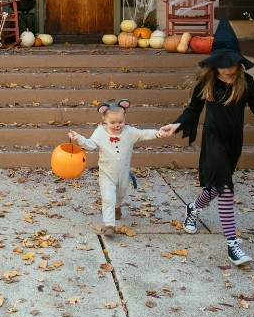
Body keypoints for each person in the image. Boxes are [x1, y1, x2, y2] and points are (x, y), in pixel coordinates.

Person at [160, 19, 254, 266]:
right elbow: (193, 110)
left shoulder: (246, 81)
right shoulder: (206, 82)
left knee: (216, 188)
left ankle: (192, 209)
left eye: (232, 63)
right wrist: (176, 124)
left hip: (233, 141)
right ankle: (232, 245)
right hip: (213, 139)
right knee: (226, 189)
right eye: (222, 64)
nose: (228, 68)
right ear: (214, 64)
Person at [68, 99, 175, 237]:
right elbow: (91, 144)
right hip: (106, 173)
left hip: (123, 173)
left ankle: (117, 207)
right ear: (104, 119)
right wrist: (79, 138)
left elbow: (143, 134)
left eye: (120, 122)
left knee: (120, 194)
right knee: (108, 198)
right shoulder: (100, 132)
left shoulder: (129, 132)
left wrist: (157, 133)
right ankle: (109, 225)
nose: (117, 125)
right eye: (112, 122)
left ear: (125, 118)